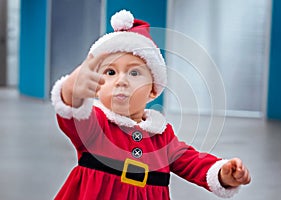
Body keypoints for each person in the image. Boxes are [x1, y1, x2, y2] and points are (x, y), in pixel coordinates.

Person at [51, 10, 251, 200]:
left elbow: (192, 162)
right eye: (110, 72)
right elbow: (73, 116)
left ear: (153, 90)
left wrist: (223, 173)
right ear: (96, 88)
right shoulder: (97, 125)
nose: (121, 81)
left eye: (134, 73)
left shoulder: (161, 137)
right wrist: (72, 89)